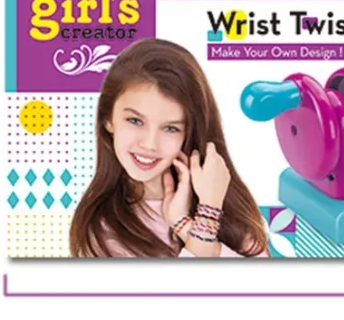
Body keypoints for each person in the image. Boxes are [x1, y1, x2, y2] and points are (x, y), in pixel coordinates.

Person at [70, 39, 268, 257]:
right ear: (108, 119)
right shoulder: (101, 230)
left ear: (190, 132)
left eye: (170, 128)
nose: (149, 144)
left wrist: (184, 224)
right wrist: (207, 216)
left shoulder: (223, 200)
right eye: (135, 121)